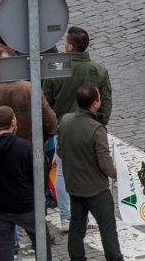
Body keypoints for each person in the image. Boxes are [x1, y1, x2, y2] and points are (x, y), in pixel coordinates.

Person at [43, 26, 112, 230]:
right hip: (91, 127)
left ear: (70, 46)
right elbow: (106, 102)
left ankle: (66, 217)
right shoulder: (98, 70)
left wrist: (48, 127)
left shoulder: (56, 67)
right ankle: (93, 216)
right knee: (91, 170)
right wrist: (100, 124)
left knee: (63, 172)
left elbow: (45, 100)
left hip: (62, 128)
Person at [58, 85, 123, 261]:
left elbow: (60, 151)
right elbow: (105, 164)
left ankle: (77, 258)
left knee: (77, 225)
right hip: (96, 190)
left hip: (74, 186)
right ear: (95, 103)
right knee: (107, 228)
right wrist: (119, 174)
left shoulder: (65, 121)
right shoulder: (97, 130)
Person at [0, 106, 51, 261]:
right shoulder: (25, 147)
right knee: (41, 239)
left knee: (4, 242)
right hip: (23, 205)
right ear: (13, 122)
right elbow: (38, 177)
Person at [0, 55, 57, 142]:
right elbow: (48, 116)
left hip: (1, 147)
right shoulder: (31, 88)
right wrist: (47, 136)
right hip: (31, 145)